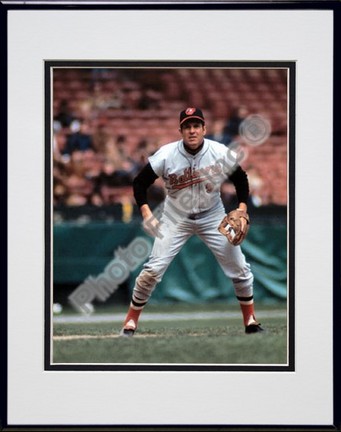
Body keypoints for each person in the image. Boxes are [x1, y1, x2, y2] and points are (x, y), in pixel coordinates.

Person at [120, 108, 264, 336]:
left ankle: (250, 321)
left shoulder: (218, 151)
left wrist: (242, 207)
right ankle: (130, 322)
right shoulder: (166, 155)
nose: (192, 130)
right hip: (175, 218)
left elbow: (240, 178)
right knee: (152, 271)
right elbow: (140, 183)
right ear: (180, 131)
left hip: (213, 216)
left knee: (240, 268)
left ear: (204, 129)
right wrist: (147, 213)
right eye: (187, 126)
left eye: (196, 126)